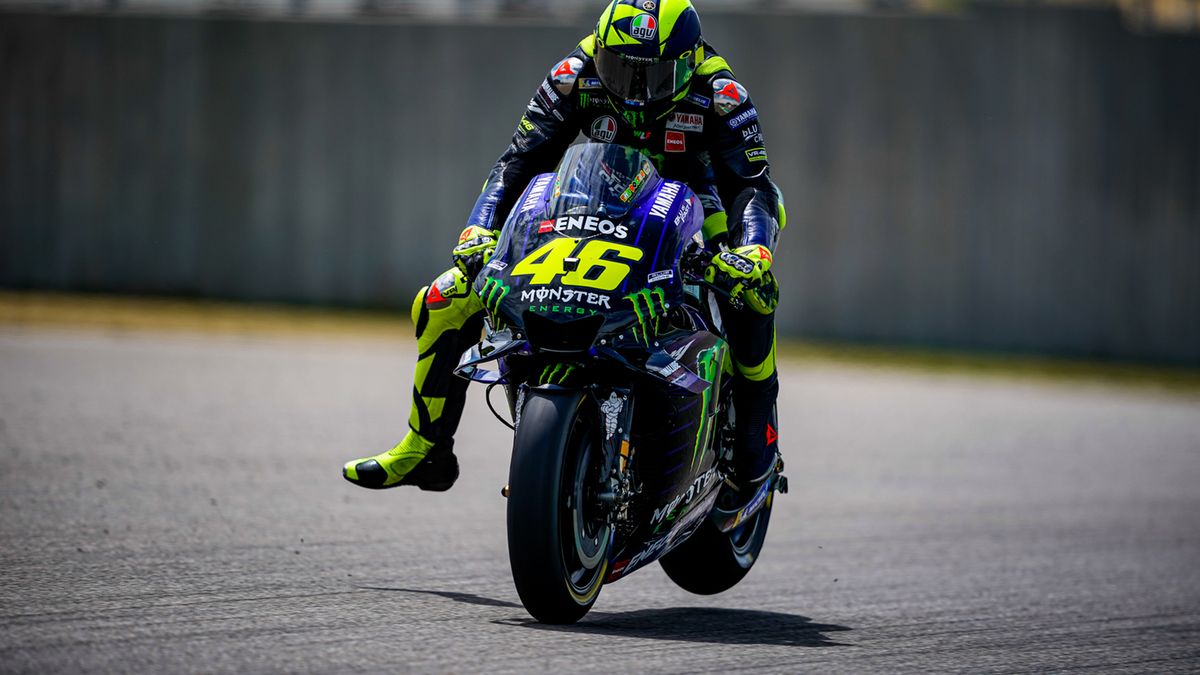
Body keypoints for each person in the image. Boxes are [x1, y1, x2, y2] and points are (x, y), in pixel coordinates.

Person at [342, 0, 785, 503]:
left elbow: (753, 186)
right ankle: (427, 447)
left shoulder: (721, 92)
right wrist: (478, 231)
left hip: (699, 203)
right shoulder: (572, 75)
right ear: (600, 54)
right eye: (620, 71)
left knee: (750, 292)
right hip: (602, 196)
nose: (635, 92)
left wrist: (752, 251)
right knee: (445, 296)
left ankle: (757, 438)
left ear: (688, 62)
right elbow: (518, 162)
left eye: (654, 76)